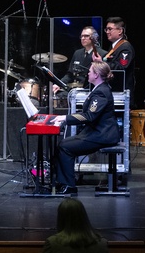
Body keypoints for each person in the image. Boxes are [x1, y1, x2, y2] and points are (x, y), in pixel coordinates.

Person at [51, 61, 120, 195]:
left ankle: (69, 185)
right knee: (63, 144)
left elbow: (89, 116)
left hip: (102, 135)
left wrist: (65, 118)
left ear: (97, 75)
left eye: (90, 71)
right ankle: (63, 182)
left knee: (65, 147)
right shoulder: (99, 88)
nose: (88, 73)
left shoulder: (101, 92)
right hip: (96, 132)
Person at [93, 16, 135, 90]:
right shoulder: (114, 46)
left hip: (122, 90)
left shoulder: (125, 47)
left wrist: (101, 62)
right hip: (114, 87)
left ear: (120, 31)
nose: (107, 32)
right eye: (106, 29)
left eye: (110, 29)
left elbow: (121, 68)